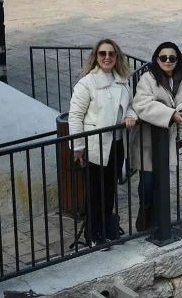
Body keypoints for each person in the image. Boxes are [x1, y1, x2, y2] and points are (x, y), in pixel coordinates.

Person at [68, 39, 136, 245]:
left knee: (109, 190)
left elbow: (131, 105)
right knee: (95, 192)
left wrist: (130, 116)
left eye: (111, 54)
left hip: (117, 144)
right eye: (102, 54)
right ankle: (93, 234)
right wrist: (78, 147)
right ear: (96, 57)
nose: (107, 57)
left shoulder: (123, 80)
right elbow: (75, 116)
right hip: (96, 146)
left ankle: (106, 228)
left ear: (117, 57)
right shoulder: (86, 84)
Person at [131, 42, 182, 231]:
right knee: (147, 183)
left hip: (167, 139)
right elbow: (142, 104)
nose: (168, 61)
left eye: (172, 58)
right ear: (157, 59)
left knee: (162, 181)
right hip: (148, 140)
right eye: (163, 58)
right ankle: (145, 216)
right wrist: (171, 114)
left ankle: (159, 220)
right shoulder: (148, 78)